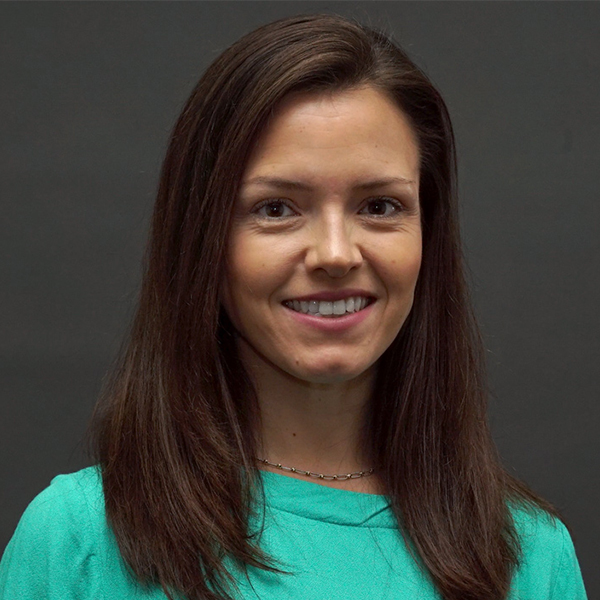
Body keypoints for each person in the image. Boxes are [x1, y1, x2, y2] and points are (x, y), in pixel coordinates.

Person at [0, 13, 588, 600]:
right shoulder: (78, 542)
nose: (335, 254)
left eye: (379, 206)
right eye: (276, 208)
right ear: (203, 240)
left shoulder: (530, 556)